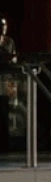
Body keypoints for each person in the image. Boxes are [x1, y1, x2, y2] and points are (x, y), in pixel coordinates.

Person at [0, 16, 17, 153]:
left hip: (6, 78)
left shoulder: (9, 41)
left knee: (5, 110)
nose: (3, 28)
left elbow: (14, 57)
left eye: (4, 25)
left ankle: (6, 143)